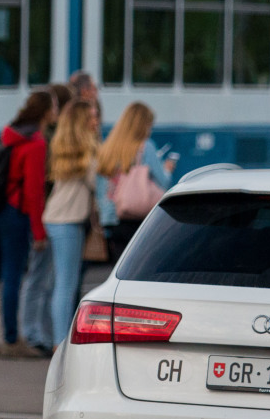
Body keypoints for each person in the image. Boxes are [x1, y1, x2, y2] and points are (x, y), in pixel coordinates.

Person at [0, 90, 57, 358]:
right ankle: (11, 340)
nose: (56, 111)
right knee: (12, 276)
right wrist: (39, 232)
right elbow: (34, 192)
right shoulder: (35, 143)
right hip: (14, 212)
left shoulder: (11, 133)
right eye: (54, 106)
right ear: (45, 112)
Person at [18, 84, 73, 357]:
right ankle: (34, 332)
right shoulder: (44, 140)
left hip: (44, 215)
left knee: (43, 277)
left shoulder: (41, 137)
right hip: (46, 215)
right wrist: (39, 229)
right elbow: (37, 188)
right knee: (41, 276)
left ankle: (41, 332)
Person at [42, 100, 101, 347]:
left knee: (57, 284)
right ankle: (60, 343)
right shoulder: (87, 153)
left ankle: (53, 337)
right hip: (68, 221)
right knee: (66, 285)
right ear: (81, 124)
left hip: (56, 218)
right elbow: (97, 184)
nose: (97, 121)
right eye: (92, 118)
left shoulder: (65, 148)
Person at [97, 101, 176, 261]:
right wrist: (167, 168)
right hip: (137, 217)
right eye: (149, 125)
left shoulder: (108, 147)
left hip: (112, 219)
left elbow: (101, 187)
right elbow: (163, 182)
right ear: (143, 125)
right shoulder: (146, 147)